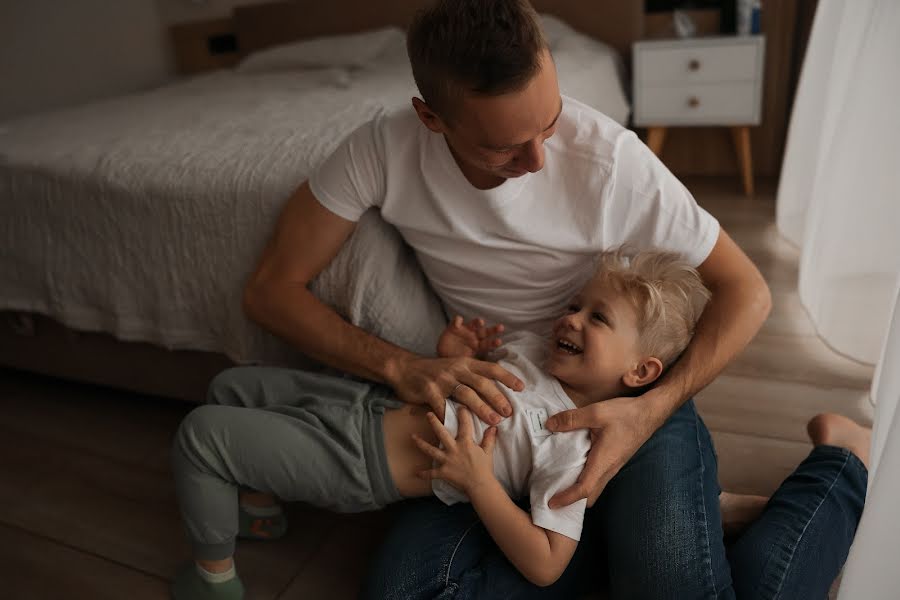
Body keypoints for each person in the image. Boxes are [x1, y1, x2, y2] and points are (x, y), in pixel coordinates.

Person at [203, 0, 863, 597]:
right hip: (493, 415)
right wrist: (404, 368)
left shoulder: (611, 164)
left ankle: (839, 465)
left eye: (548, 122)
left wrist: (649, 410)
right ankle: (656, 520)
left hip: (614, 398)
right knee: (405, 592)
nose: (542, 160)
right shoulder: (380, 151)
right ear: (430, 118)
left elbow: (747, 289)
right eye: (506, 147)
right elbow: (271, 292)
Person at [169, 248, 712, 598]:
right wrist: (452, 352)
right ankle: (262, 508)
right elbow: (457, 380)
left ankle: (213, 580)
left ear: (640, 371)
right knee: (231, 387)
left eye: (597, 318)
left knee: (200, 436)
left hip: (361, 461)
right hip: (362, 400)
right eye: (575, 305)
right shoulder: (535, 351)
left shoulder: (572, 449)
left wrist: (479, 484)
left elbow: (547, 565)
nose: (569, 318)